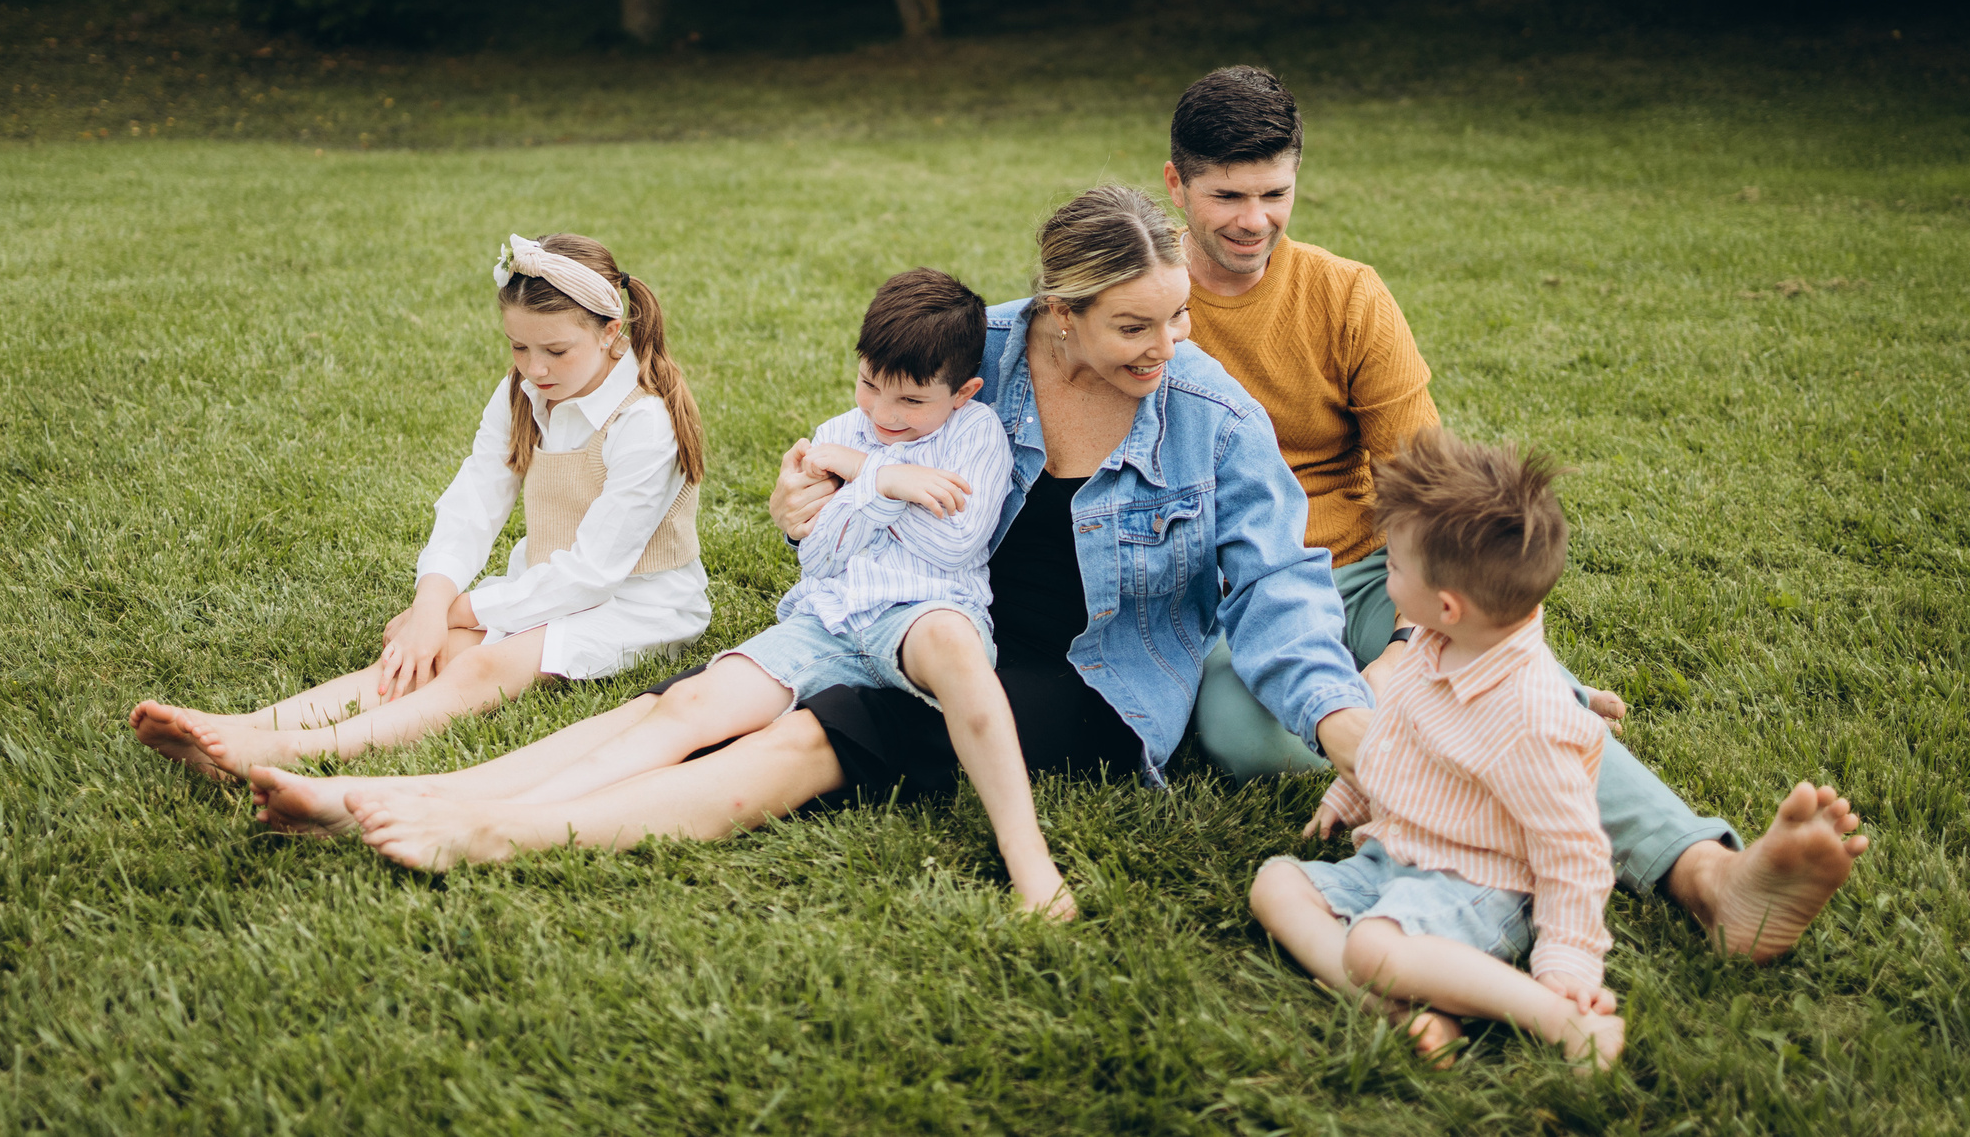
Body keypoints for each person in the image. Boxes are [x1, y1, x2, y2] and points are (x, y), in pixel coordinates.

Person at [246, 187, 1378, 870]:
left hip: (1085, 680)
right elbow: (853, 454)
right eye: (1137, 324)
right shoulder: (973, 351)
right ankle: (399, 794)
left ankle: (491, 833)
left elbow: (1282, 595)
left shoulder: (1211, 418)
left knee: (800, 742)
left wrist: (1358, 748)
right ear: (1058, 315)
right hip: (909, 615)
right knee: (684, 703)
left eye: (1179, 316)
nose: (1169, 344)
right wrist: (805, 507)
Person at [1166, 64, 1867, 960]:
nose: (1253, 220)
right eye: (1228, 194)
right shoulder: (1150, 306)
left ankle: (1706, 874)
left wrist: (1398, 653)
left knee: (1485, 682)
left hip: (1378, 571)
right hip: (1235, 598)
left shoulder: (1346, 294)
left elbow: (1427, 491)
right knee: (1238, 736)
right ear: (1176, 184)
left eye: (1276, 192)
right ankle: (1529, 734)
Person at [494, 269, 1076, 918]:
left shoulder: (976, 435)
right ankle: (526, 809)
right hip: (826, 617)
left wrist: (866, 481)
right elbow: (821, 552)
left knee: (958, 653)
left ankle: (1027, 855)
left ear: (963, 391)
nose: (883, 414)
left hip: (922, 612)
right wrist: (891, 481)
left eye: (911, 402)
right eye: (869, 385)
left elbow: (954, 546)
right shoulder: (836, 436)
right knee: (692, 699)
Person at [127, 231, 711, 776]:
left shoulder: (644, 422)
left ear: (611, 332)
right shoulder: (527, 391)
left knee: (480, 664)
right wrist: (432, 604)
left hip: (638, 604)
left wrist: (466, 610)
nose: (534, 368)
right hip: (550, 586)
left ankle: (288, 750)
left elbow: (594, 574)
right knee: (427, 652)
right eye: (518, 346)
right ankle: (249, 727)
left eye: (556, 350)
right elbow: (473, 501)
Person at [1251, 429, 1622, 1070]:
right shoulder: (1430, 642)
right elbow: (1397, 734)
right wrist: (1352, 791)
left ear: (1448, 604)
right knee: (1276, 885)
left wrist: (1568, 961)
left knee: (1371, 947)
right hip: (1398, 859)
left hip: (1480, 888)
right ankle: (1403, 1012)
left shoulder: (1530, 715)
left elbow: (1574, 852)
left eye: (1391, 566)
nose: (1384, 575)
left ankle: (1558, 1019)